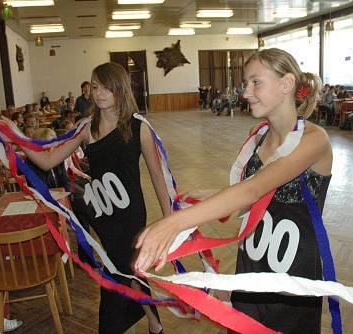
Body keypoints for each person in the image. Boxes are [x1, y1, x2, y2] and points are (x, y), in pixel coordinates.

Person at [135, 48, 332, 334]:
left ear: (286, 83)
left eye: (256, 82)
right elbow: (256, 198)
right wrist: (213, 196)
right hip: (250, 266)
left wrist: (172, 223)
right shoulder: (258, 138)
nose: (246, 92)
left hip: (292, 278)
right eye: (246, 83)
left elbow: (254, 188)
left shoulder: (314, 139)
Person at [1, 62, 168, 334]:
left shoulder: (139, 127)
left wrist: (169, 222)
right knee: (131, 269)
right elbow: (47, 160)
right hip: (103, 213)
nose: (98, 92)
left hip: (131, 215)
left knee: (120, 272)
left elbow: (157, 177)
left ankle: (119, 326)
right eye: (95, 85)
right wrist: (18, 136)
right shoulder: (86, 128)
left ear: (119, 88)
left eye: (105, 86)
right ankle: (154, 321)